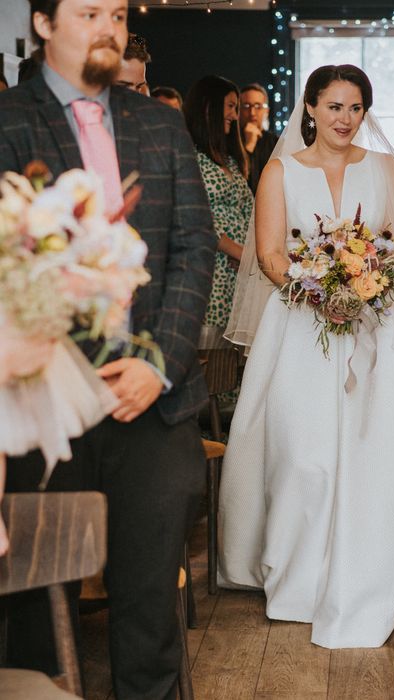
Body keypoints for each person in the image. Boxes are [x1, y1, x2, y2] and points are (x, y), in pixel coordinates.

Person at [217, 64, 394, 649]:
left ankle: (376, 561)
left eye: (355, 107)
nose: (344, 118)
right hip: (300, 329)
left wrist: (364, 282)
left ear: (366, 113)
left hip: (377, 332)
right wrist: (320, 291)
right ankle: (301, 575)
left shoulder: (387, 170)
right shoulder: (280, 171)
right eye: (334, 106)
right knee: (303, 455)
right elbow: (267, 255)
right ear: (309, 108)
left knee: (373, 452)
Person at [0, 1, 216, 698]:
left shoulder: (159, 122)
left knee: (151, 608)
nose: (108, 28)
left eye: (117, 13)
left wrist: (159, 365)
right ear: (41, 23)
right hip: (41, 408)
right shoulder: (7, 122)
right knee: (36, 609)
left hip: (150, 404)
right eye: (88, 11)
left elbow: (194, 247)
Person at [184, 75, 252, 329]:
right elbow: (197, 218)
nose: (235, 116)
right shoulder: (188, 156)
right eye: (231, 106)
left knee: (232, 357)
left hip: (238, 272)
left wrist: (250, 253)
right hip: (211, 269)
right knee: (209, 349)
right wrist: (241, 253)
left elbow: (249, 209)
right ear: (208, 107)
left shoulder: (230, 160)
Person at [239, 81, 279, 193]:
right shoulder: (230, 140)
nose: (252, 112)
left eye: (258, 106)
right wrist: (249, 145)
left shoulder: (276, 142)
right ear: (239, 110)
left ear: (266, 111)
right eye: (246, 106)